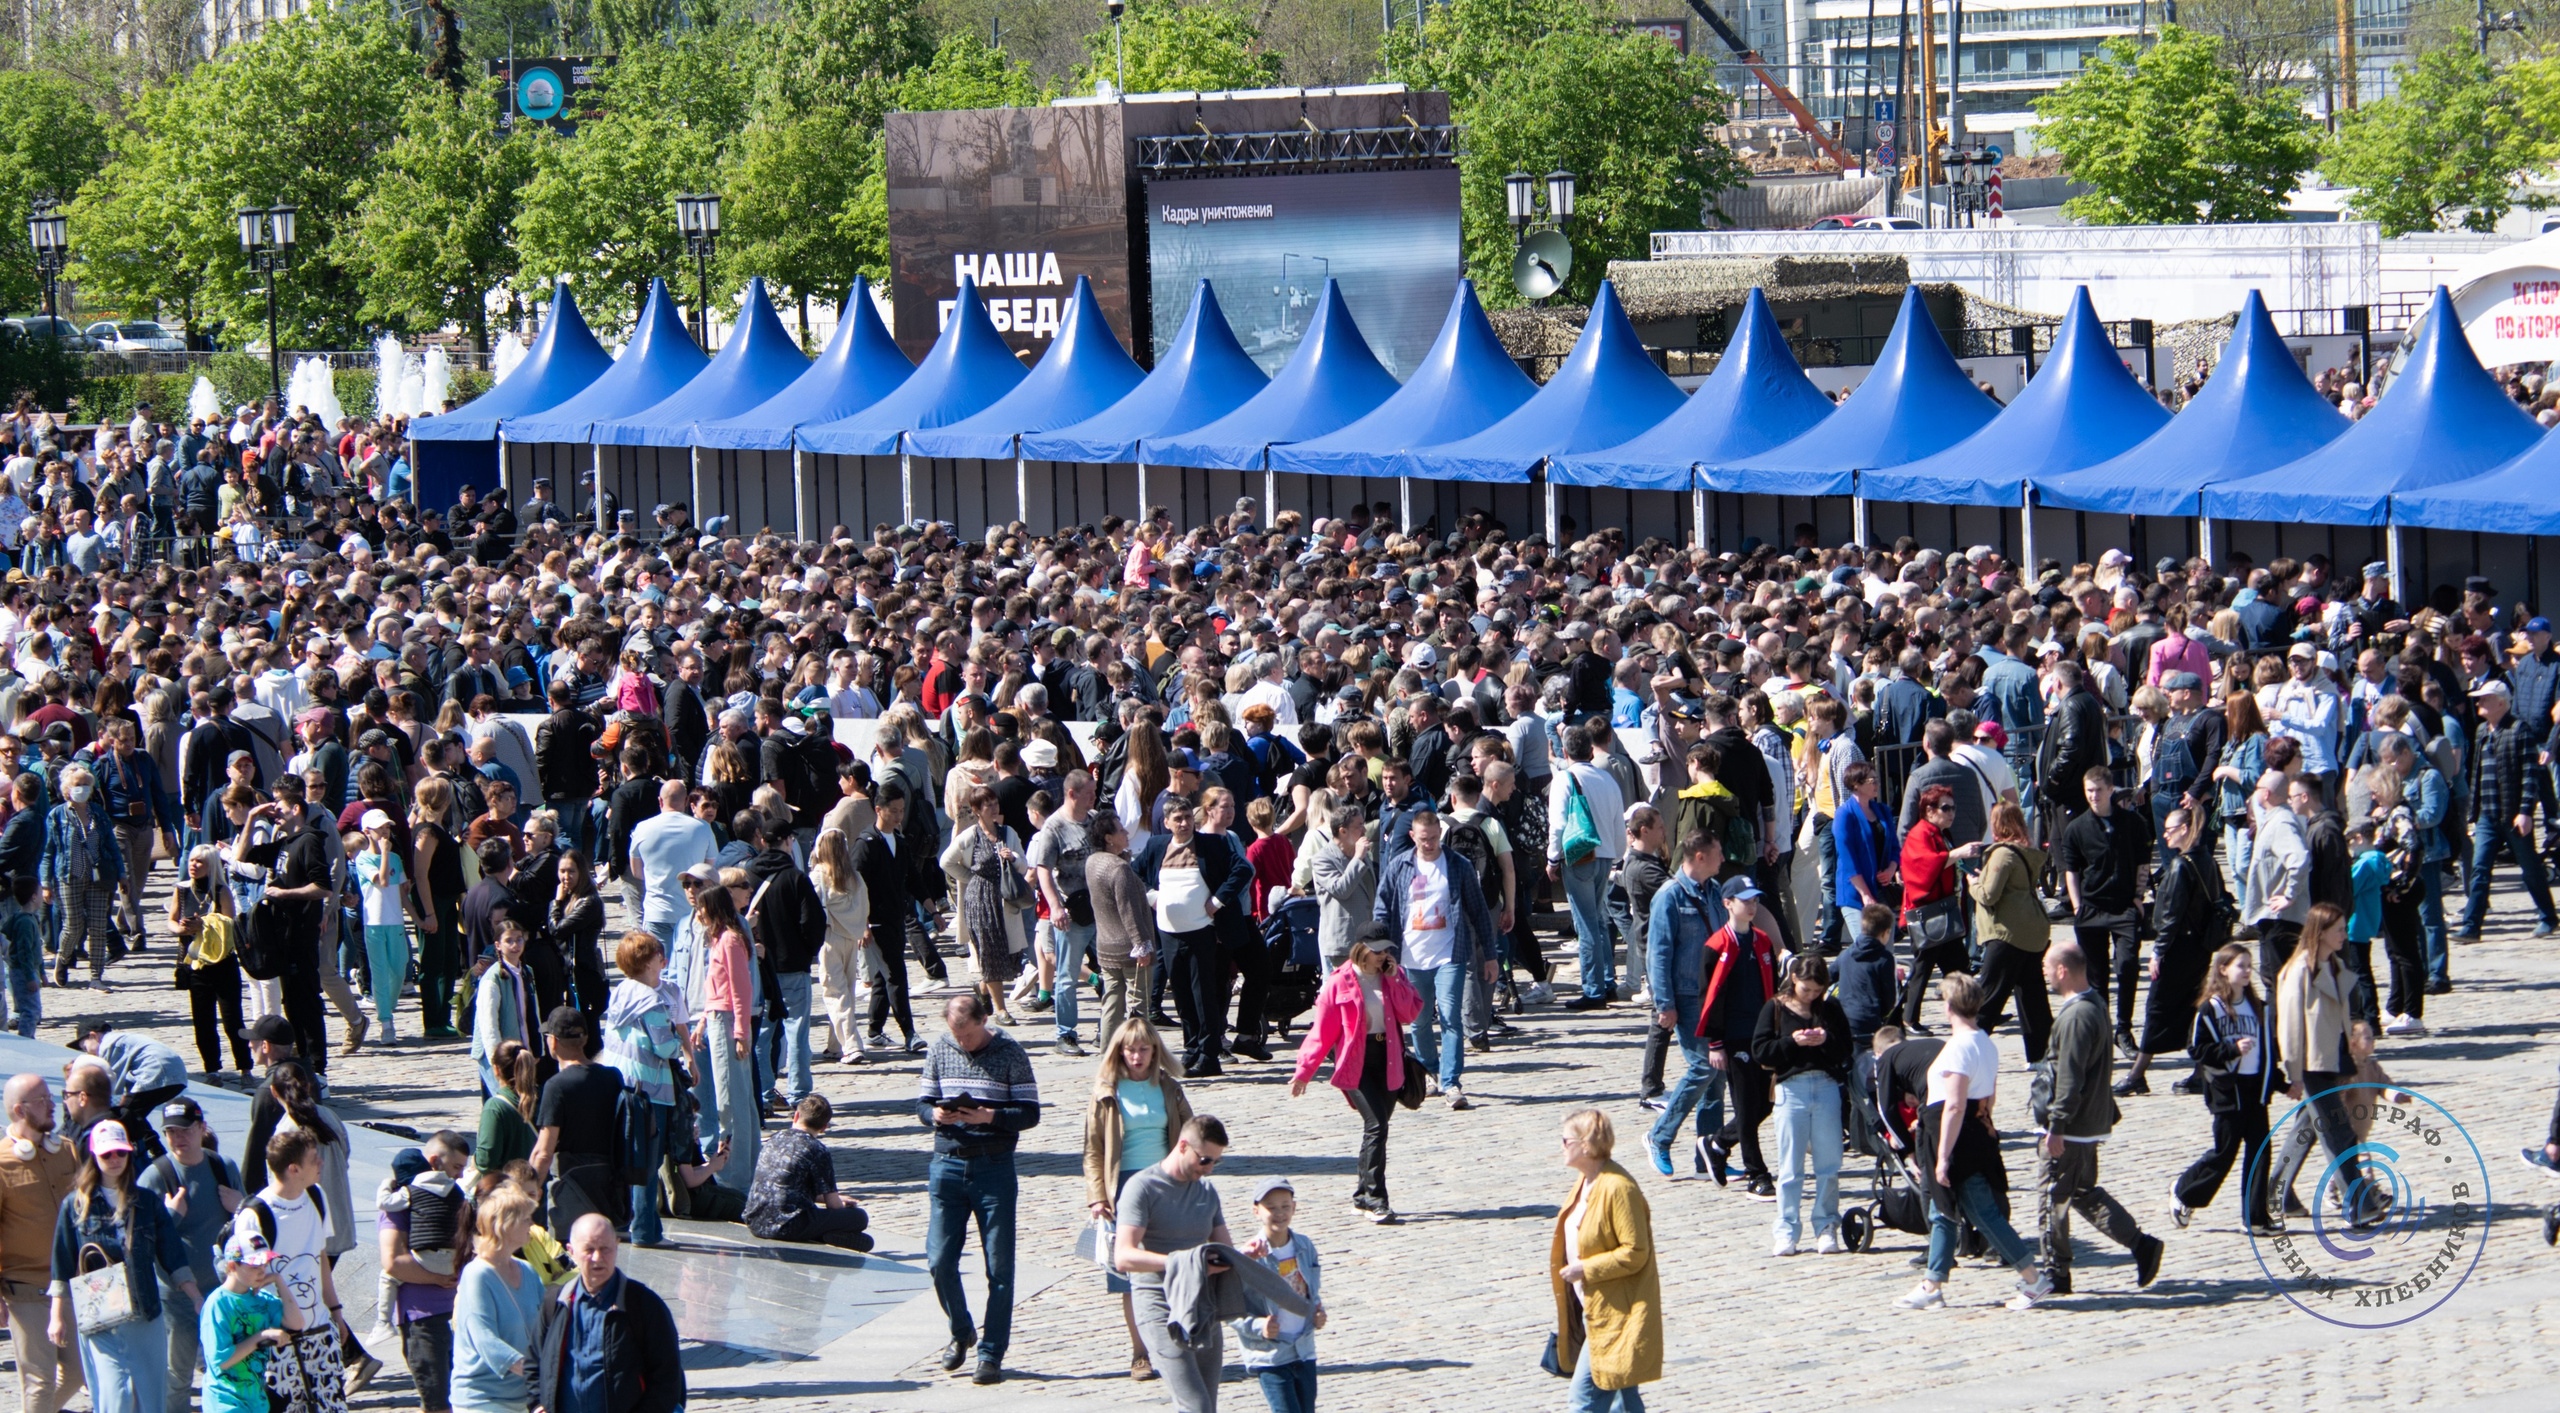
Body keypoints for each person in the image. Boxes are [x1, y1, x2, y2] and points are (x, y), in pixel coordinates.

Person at [1894, 973, 2047, 1312]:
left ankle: (2034, 1278)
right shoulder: (1984, 1042)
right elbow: (1988, 1098)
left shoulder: (1959, 1048)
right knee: (1943, 1210)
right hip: (1974, 1129)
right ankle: (1932, 1284)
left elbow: (1955, 1105)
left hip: (1955, 1136)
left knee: (1981, 1212)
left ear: (1949, 1007)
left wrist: (1943, 1156)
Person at [917, 992, 1041, 1385]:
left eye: (967, 1034)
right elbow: (922, 1103)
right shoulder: (940, 1048)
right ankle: (961, 1330)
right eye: (955, 1033)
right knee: (938, 1260)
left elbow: (1030, 1113)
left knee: (999, 1268)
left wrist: (992, 1116)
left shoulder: (1010, 1053)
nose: (962, 1041)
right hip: (947, 1164)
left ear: (984, 1021)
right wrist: (933, 1112)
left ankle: (991, 1354)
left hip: (994, 1168)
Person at [2032, 940, 2165, 1295]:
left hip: (2071, 1128)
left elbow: (2069, 1077)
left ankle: (2055, 1271)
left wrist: (2056, 1127)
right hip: (2087, 1123)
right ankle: (2141, 1244)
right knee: (2083, 1192)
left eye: (2047, 966)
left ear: (2062, 970)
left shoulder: (2077, 1016)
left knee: (2052, 1198)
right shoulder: (2093, 1005)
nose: (2044, 972)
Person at [49, 1118, 197, 1413]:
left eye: (121, 1152)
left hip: (145, 1312)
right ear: (94, 1156)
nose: (115, 1159)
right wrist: (57, 1316)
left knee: (151, 1398)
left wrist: (195, 1296)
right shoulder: (76, 1204)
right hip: (102, 1315)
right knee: (116, 1397)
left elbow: (171, 1254)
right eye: (107, 1154)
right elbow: (62, 1262)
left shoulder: (147, 1201)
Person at [1084, 1016, 1194, 1379]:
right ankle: (1140, 1352)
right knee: (1130, 1275)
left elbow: (1190, 1137)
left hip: (1166, 1186)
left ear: (1155, 1052)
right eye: (1130, 1049)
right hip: (1125, 1189)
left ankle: (1176, 1342)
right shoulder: (1107, 1091)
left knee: (1173, 1267)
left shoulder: (1169, 1088)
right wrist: (1097, 1196)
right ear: (1119, 1051)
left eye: (1143, 1049)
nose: (1136, 1056)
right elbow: (1093, 1150)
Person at [1371, 808, 1497, 1110]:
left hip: (1450, 954)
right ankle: (1428, 1071)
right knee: (1419, 1019)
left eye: (1432, 839)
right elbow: (1382, 907)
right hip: (1410, 958)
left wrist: (1490, 956)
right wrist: (1380, 950)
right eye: (1422, 839)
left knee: (1451, 1015)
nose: (1428, 844)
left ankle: (1452, 1080)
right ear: (1413, 836)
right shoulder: (1399, 866)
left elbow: (1479, 912)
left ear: (1440, 834)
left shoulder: (1458, 865)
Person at [2268, 902, 2383, 1226]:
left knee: (2307, 1128)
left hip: (2335, 1060)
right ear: (2320, 933)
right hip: (2311, 1064)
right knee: (2337, 1131)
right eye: (2338, 930)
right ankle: (2358, 1204)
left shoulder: (2333, 965)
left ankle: (2276, 1194)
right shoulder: (2298, 972)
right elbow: (2289, 1027)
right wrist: (2293, 1075)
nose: (2344, 935)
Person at [1113, 1114, 1235, 1413]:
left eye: (1215, 1163)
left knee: (1207, 1405)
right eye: (1205, 1160)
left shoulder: (1206, 1191)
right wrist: (1182, 1263)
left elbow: (1224, 1249)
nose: (1208, 1169)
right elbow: (1124, 1256)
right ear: (1183, 1146)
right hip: (1160, 1307)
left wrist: (1245, 1256)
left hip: (1202, 1307)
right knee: (1195, 1406)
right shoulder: (1142, 1187)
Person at [1549, 1109, 1661, 1413]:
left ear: (1585, 1145)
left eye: (1565, 1140)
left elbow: (1636, 1252)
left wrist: (1585, 1268)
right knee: (1621, 1400)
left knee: (1584, 1400)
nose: (1561, 1146)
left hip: (1617, 1314)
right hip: (1595, 1309)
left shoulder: (1617, 1188)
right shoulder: (1586, 1181)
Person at [138, 1097, 242, 1413]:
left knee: (230, 1367)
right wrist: (171, 1217)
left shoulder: (223, 1168)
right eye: (170, 1132)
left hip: (224, 1291)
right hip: (176, 1297)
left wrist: (240, 1204)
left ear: (201, 1128)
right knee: (176, 1375)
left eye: (184, 1130)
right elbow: (139, 1242)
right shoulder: (155, 1176)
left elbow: (249, 1227)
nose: (177, 1138)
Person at [2170, 944, 2279, 1234]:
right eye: (2240, 965)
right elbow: (2197, 1049)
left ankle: (2255, 1218)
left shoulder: (2258, 1006)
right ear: (2223, 969)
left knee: (2261, 1151)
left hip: (2255, 1088)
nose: (2247, 971)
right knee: (2224, 1153)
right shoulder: (2211, 1008)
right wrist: (2231, 1048)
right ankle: (2184, 1191)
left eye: (2249, 965)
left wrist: (2281, 1083)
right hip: (2227, 1091)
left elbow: (2267, 1051)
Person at [530, 1216, 685, 1413]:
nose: (597, 1258)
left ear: (617, 1246)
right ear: (571, 1252)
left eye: (605, 1249)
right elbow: (534, 1361)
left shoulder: (644, 1305)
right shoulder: (555, 1303)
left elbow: (667, 1377)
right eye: (589, 1250)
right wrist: (537, 1404)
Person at [1640, 832, 1728, 1173]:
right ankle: (1660, 1136)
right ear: (1700, 856)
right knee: (1703, 1066)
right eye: (1718, 852)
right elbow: (1658, 954)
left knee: (1716, 1076)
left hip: (1715, 996)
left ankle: (1708, 1155)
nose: (1723, 858)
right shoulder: (1670, 896)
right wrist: (1665, 1004)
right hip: (1687, 996)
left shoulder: (1715, 892)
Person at [1754, 952, 1851, 1256]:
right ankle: (1786, 1231)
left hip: (1825, 1087)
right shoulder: (1775, 1008)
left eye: (1816, 990)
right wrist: (1791, 1042)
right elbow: (1761, 1050)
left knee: (1829, 1163)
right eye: (1805, 988)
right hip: (1790, 1090)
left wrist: (1825, 1040)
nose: (1810, 995)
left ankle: (1826, 1226)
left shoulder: (1830, 1007)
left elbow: (1846, 1048)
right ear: (1793, 979)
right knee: (1790, 1167)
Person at [3, 1070, 85, 1413]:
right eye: (42, 1101)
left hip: (69, 1284)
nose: (53, 1106)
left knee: (79, 1373)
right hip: (27, 1287)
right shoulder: (3, 1163)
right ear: (20, 1110)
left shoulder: (65, 1149)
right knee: (40, 1379)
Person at [2055, 765, 2153, 1053]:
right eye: (2089, 791)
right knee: (2096, 976)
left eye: (2098, 790)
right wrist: (2076, 905)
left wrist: (2138, 895)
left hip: (2124, 906)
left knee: (2127, 966)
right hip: (2092, 908)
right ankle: (2101, 1032)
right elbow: (2071, 870)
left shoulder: (2131, 823)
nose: (2094, 796)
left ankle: (2124, 1028)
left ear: (2111, 790)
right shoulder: (2077, 828)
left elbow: (2142, 861)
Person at [1696, 874, 1782, 1198]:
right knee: (1746, 1105)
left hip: (1761, 1035)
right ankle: (1756, 1173)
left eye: (1755, 899)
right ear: (1727, 903)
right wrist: (1715, 1043)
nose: (1752, 905)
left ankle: (1717, 1143)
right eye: (1744, 899)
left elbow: (1771, 988)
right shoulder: (1716, 946)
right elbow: (1710, 997)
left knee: (1765, 1104)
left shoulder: (1762, 941)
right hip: (1733, 1037)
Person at [2125, 806, 2220, 1096]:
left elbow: (2172, 916)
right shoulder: (2208, 861)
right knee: (2193, 1006)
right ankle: (2200, 1072)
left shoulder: (2181, 866)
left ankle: (2137, 1073)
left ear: (2185, 829)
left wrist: (2158, 952)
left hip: (2179, 948)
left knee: (2157, 1008)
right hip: (2201, 947)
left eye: (2169, 829)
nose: (2164, 834)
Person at [601, 931, 688, 1247]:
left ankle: (626, 1222)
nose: (661, 960)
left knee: (627, 1157)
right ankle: (646, 1231)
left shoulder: (622, 990)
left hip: (620, 1082)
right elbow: (664, 1047)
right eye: (656, 955)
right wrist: (681, 1044)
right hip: (650, 1088)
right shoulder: (651, 999)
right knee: (647, 1161)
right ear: (648, 961)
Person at [2456, 677, 2559, 940]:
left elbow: (2530, 774)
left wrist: (2525, 811)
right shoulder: (2481, 732)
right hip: (2487, 816)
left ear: (2501, 703)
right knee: (2480, 870)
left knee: (2530, 868)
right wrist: (2473, 813)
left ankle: (2548, 915)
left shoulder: (2518, 730)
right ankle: (2472, 925)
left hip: (2512, 814)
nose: (2479, 702)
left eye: (2485, 698)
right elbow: (2476, 773)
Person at [377, 1133, 467, 1413]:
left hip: (459, 1312)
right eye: (455, 1167)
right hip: (423, 1317)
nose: (460, 1175)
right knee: (438, 1403)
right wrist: (440, 1278)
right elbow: (392, 1262)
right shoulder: (401, 1203)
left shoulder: (454, 1197)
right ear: (433, 1162)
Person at [527, 1007, 629, 1233]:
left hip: (572, 1186)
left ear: (552, 1042)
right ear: (585, 1038)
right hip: (611, 1183)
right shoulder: (613, 1077)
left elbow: (544, 1151)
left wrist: (528, 1196)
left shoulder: (556, 1086)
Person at [1548, 726, 1628, 1009]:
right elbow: (1620, 822)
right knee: (1598, 919)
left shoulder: (1564, 779)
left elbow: (1558, 823)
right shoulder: (1607, 778)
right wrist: (1618, 854)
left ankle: (1593, 989)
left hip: (1580, 856)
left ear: (1565, 752)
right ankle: (1607, 982)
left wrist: (1552, 857)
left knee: (1586, 924)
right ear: (1592, 751)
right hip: (1606, 855)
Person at [1231, 1177, 1325, 1413]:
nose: (1279, 1213)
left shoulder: (1304, 1246)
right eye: (1271, 1207)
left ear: (1294, 1207)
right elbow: (1230, 1309)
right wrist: (1259, 1325)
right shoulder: (1249, 1257)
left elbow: (1310, 1290)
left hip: (1303, 1349)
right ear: (1256, 1211)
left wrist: (1318, 1311)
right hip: (1270, 1354)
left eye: (1285, 1206)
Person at [1970, 801, 2053, 1061]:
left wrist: (1973, 884)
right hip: (2030, 931)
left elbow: (1989, 895)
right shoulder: (2023, 851)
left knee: (1989, 996)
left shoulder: (2002, 854)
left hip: (2006, 934)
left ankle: (1968, 1054)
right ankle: (2042, 1056)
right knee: (2033, 998)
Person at [449, 1183, 543, 1413]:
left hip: (524, 1398)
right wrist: (537, 1372)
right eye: (526, 1219)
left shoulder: (529, 1271)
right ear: (505, 1225)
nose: (532, 1224)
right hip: (481, 1399)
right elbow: (485, 1340)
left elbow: (546, 1328)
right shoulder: (477, 1274)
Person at [943, 787, 1031, 1028]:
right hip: (980, 901)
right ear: (976, 811)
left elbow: (1023, 864)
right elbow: (946, 861)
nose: (994, 808)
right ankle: (1001, 1009)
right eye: (987, 805)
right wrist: (970, 877)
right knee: (990, 952)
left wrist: (1012, 857)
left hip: (1005, 900)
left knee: (1008, 956)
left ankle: (982, 986)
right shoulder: (970, 836)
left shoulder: (1008, 833)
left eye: (995, 803)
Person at [1897, 784, 1979, 1033]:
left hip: (1942, 912)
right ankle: (1908, 1019)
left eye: (1953, 808)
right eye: (1945, 808)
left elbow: (1946, 865)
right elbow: (1922, 866)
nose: (1951, 813)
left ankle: (1976, 1013)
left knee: (1960, 967)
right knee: (1923, 967)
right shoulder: (1920, 833)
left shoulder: (1939, 832)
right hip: (1927, 914)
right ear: (1929, 810)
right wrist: (1957, 854)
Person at [197, 1229, 308, 1413]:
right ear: (232, 1266)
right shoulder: (218, 1303)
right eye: (254, 1266)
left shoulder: (262, 1298)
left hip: (256, 1402)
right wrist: (261, 1337)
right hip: (225, 1402)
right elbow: (220, 1361)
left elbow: (296, 1323)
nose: (261, 1271)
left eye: (264, 1264)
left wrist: (278, 1280)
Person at [744, 1096, 871, 1250]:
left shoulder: (774, 1139)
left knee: (831, 1219)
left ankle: (821, 1235)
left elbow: (786, 1187)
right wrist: (841, 1207)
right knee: (859, 1217)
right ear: (824, 1127)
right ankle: (824, 1236)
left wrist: (836, 1199)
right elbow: (833, 1205)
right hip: (788, 1224)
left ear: (796, 1116)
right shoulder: (817, 1149)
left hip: (756, 1222)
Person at [1088, 812, 1158, 1049]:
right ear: (1108, 838)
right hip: (1130, 950)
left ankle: (1108, 1057)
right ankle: (1140, 1058)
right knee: (1139, 1008)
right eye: (1120, 830)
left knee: (1112, 1004)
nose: (1126, 833)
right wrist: (1142, 945)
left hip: (1106, 946)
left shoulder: (1093, 861)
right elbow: (1129, 911)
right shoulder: (1119, 869)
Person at [1827, 762, 1899, 952]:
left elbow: (1894, 847)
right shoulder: (1844, 814)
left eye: (1876, 779)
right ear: (1856, 784)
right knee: (1868, 949)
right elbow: (1848, 859)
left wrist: (1891, 869)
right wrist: (1865, 894)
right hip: (1855, 895)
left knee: (1886, 951)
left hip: (1881, 893)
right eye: (1871, 780)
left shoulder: (1882, 810)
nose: (1876, 784)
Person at [474, 1039, 540, 1176]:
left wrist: (475, 1161)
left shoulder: (495, 1107)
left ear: (496, 1070)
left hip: (507, 1189)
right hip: (537, 1187)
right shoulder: (544, 1097)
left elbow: (486, 1161)